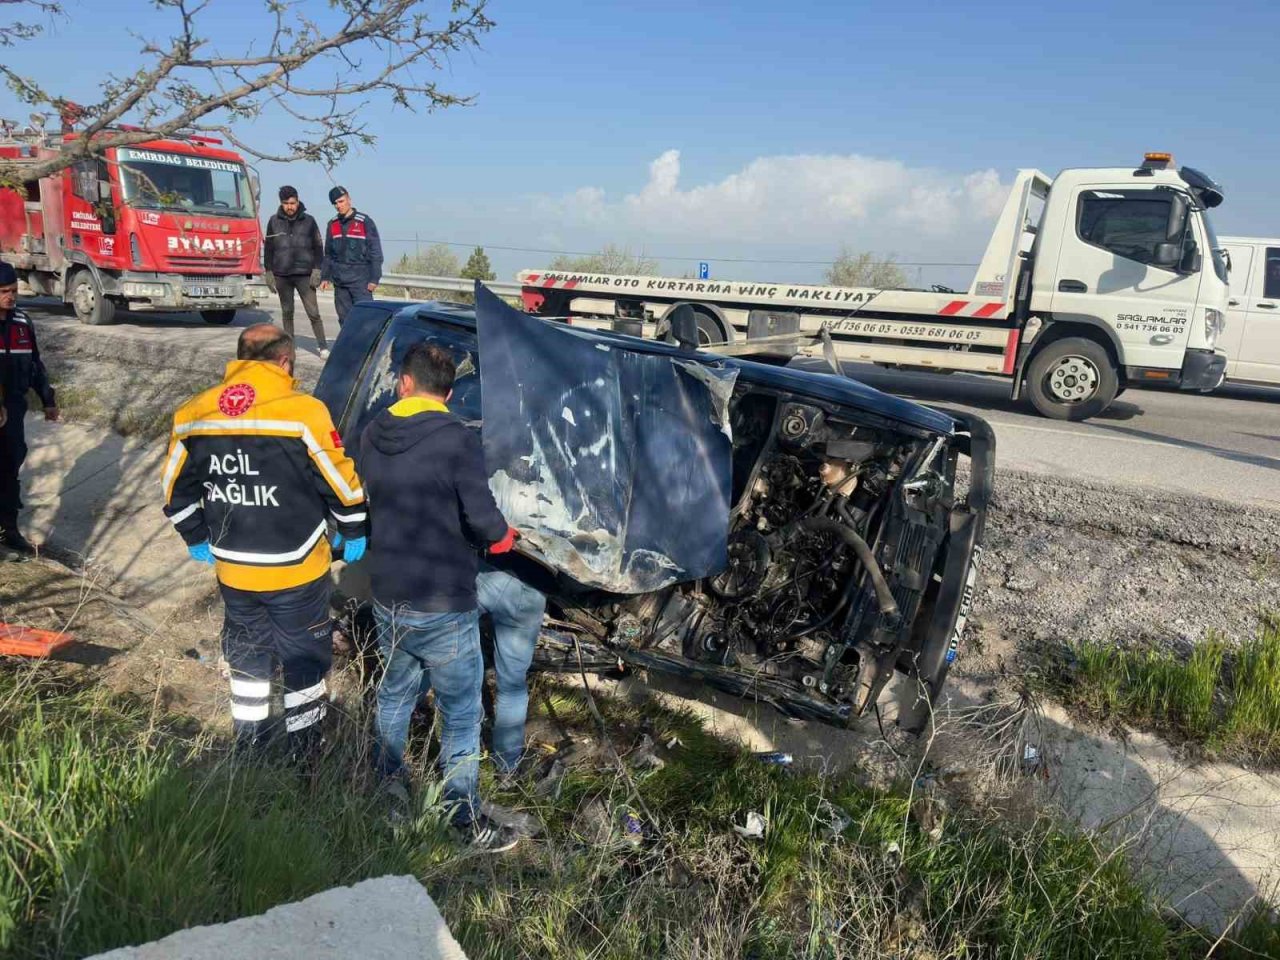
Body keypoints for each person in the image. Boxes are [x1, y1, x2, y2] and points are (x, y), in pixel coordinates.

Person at [161, 324, 367, 755]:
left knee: (248, 659)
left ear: (239, 359)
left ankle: (249, 748)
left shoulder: (192, 413)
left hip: (233, 570)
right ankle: (305, 754)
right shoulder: (304, 412)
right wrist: (353, 530)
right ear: (285, 362)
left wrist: (195, 536)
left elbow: (173, 490)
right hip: (298, 569)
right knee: (304, 663)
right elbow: (341, 483)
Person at [357, 341, 520, 850]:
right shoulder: (454, 439)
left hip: (388, 595)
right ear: (447, 394)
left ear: (404, 384)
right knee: (462, 713)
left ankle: (385, 788)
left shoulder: (371, 431)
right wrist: (502, 537)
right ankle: (462, 818)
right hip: (443, 604)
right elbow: (481, 516)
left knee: (396, 693)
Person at [0, 262, 59, 554]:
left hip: (14, 409)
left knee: (10, 468)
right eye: (2, 292)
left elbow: (35, 364)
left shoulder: (23, 322)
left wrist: (48, 399)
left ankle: (8, 531)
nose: (9, 297)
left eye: (12, 291)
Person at [476, 562, 546, 781]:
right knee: (512, 684)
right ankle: (506, 769)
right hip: (531, 587)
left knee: (444, 647)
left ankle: (458, 768)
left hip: (487, 571)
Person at [263, 186, 329, 358]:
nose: (289, 207)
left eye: (292, 203)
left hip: (305, 275)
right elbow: (268, 248)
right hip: (281, 274)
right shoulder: (273, 221)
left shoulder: (309, 221)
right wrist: (268, 271)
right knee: (287, 312)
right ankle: (289, 347)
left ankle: (323, 347)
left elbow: (318, 247)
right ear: (281, 203)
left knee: (313, 313)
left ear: (298, 201)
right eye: (286, 203)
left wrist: (317, 269)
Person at [320, 186, 383, 326]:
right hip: (340, 282)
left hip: (361, 282)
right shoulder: (332, 224)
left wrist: (374, 278)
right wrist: (325, 276)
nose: (339, 206)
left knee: (366, 320)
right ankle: (350, 347)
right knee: (344, 320)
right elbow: (329, 254)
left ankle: (367, 348)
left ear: (349, 199)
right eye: (335, 203)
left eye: (341, 201)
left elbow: (376, 251)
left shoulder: (364, 222)